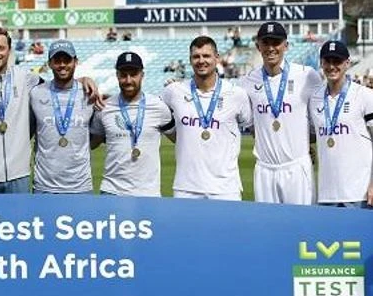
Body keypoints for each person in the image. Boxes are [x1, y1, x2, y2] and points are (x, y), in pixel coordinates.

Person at [0, 27, 102, 193]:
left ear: (9, 50)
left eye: (1, 48)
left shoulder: (26, 78)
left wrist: (82, 80)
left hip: (19, 177)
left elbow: (61, 82)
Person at [240, 21, 322, 205]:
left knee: (303, 227)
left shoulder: (307, 75)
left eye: (276, 42)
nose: (271, 48)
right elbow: (252, 125)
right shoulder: (247, 81)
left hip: (297, 167)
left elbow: (321, 119)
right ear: (257, 46)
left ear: (286, 45)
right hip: (264, 169)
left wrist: (306, 142)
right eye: (266, 42)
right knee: (268, 229)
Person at [162, 36, 252, 200]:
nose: (201, 61)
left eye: (206, 56)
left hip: (225, 189)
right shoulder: (173, 91)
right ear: (190, 60)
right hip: (185, 188)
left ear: (217, 58)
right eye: (196, 56)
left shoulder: (236, 94)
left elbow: (253, 126)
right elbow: (159, 118)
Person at [93, 52, 175, 197]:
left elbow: (180, 140)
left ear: (142, 75)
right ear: (117, 75)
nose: (128, 80)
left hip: (149, 194)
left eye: (133, 74)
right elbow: (91, 143)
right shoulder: (104, 108)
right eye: (123, 74)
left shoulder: (159, 107)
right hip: (112, 192)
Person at [309, 41, 373, 207]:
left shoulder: (365, 96)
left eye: (336, 61)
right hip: (326, 195)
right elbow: (311, 135)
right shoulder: (314, 99)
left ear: (347, 63)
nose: (331, 66)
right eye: (327, 61)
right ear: (321, 63)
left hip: (359, 193)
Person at [30, 40, 98, 194]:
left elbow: (96, 137)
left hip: (81, 187)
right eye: (57, 60)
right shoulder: (36, 93)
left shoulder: (89, 93)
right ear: (49, 64)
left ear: (76, 62)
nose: (62, 65)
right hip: (44, 187)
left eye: (67, 60)